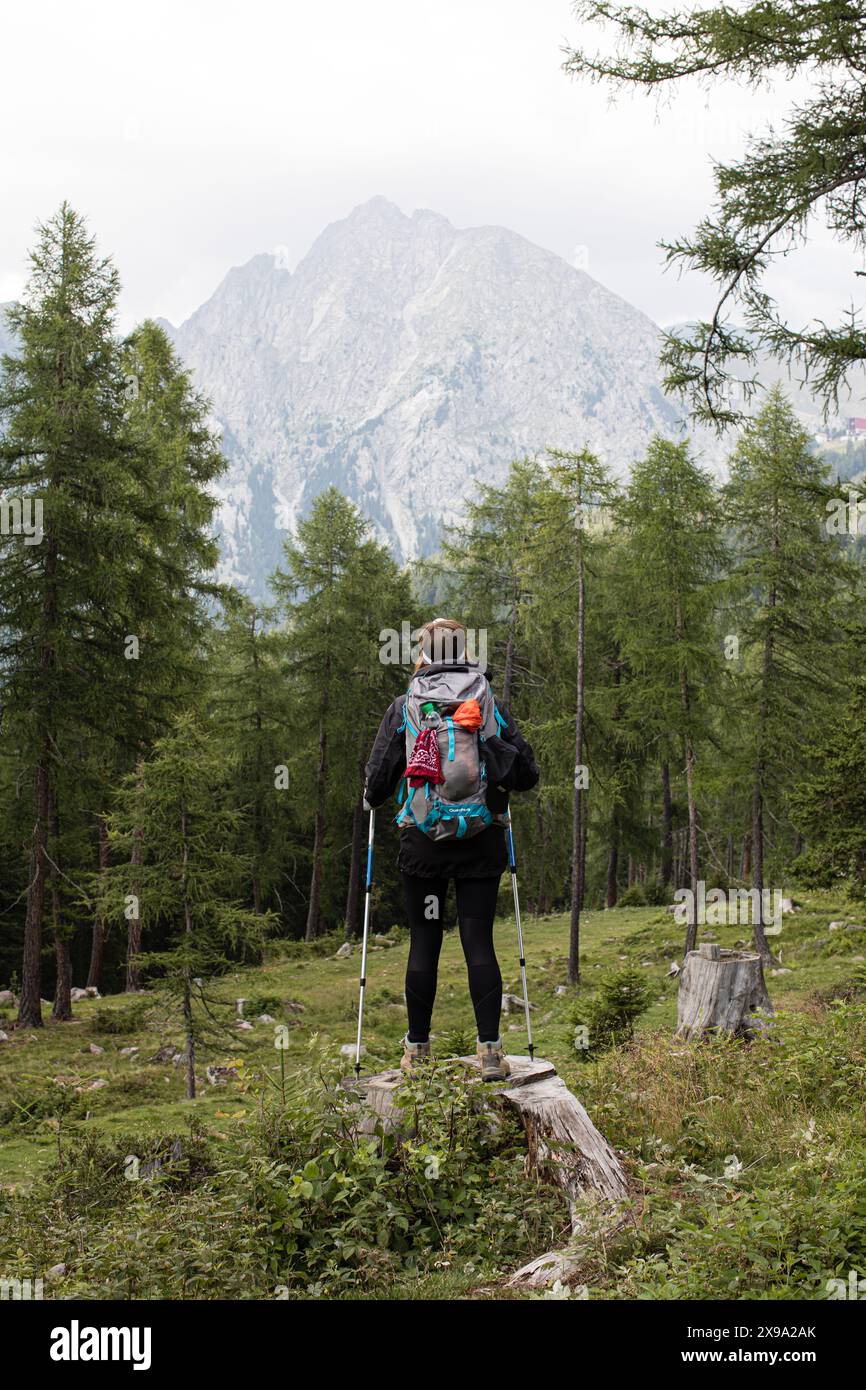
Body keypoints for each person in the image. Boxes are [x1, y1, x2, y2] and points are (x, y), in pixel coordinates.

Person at [363, 617, 539, 1080]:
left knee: (424, 943)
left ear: (423, 651)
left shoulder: (406, 704)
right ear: (464, 649)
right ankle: (491, 1054)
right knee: (478, 942)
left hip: (424, 844)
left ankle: (417, 1053)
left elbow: (379, 780)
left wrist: (370, 796)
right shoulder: (486, 700)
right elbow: (526, 773)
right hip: (481, 839)